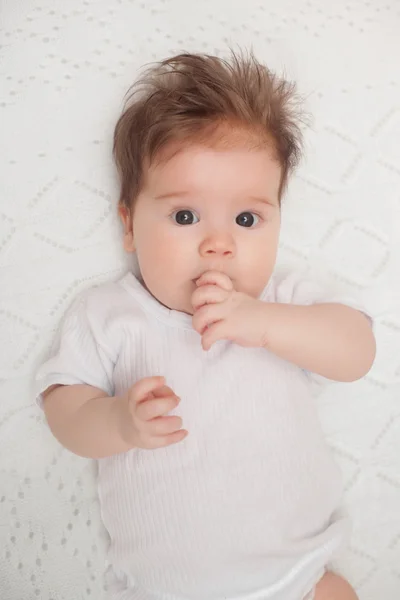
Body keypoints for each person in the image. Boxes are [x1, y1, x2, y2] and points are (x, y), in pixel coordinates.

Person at [36, 51, 376, 600]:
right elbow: (63, 412)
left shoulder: (282, 300)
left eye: (247, 219)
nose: (219, 243)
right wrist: (117, 423)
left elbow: (357, 351)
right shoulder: (112, 316)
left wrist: (262, 321)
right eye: (185, 216)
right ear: (128, 225)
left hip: (298, 574)